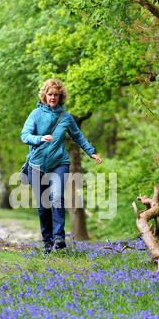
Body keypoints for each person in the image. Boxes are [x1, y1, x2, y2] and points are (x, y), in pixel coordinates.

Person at [20, 79, 102, 254]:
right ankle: (47, 242)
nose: (53, 97)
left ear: (60, 96)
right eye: (50, 94)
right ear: (44, 96)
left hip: (59, 164)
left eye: (56, 95)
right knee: (43, 206)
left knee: (56, 197)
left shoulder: (65, 117)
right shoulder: (35, 114)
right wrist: (39, 138)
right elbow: (24, 135)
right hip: (36, 165)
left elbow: (78, 136)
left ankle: (59, 237)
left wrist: (91, 152)